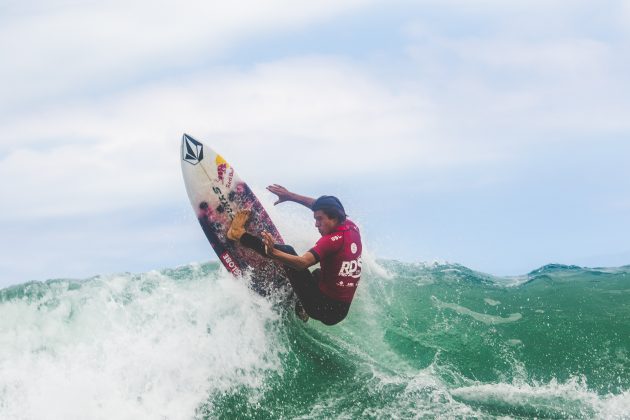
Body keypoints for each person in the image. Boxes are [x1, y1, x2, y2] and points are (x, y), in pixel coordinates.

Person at [226, 184, 362, 325]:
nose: (316, 224)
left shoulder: (331, 241)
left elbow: (302, 263)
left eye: (319, 219)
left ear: (333, 217)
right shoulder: (350, 226)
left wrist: (273, 252)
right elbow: (317, 205)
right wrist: (290, 196)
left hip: (322, 309)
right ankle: (301, 305)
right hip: (340, 310)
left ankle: (238, 234)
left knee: (287, 251)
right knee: (319, 273)